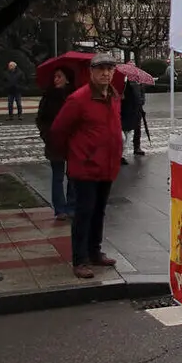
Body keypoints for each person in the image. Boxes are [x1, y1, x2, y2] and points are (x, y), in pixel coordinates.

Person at [49, 52, 123, 279]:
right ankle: (80, 259)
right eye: (101, 69)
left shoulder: (113, 96)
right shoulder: (79, 99)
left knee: (99, 212)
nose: (106, 73)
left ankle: (94, 251)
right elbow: (58, 131)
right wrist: (74, 154)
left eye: (110, 69)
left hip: (107, 166)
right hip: (85, 167)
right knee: (83, 213)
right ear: (91, 72)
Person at [35, 67, 77, 220]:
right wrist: (47, 135)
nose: (56, 80)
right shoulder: (48, 96)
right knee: (57, 176)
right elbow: (41, 119)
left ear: (67, 79)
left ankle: (72, 206)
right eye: (55, 77)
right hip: (54, 141)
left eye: (59, 76)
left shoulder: (75, 96)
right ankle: (60, 209)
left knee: (73, 175)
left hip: (73, 142)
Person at [120, 78, 145, 164]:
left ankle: (125, 154)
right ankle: (120, 153)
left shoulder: (138, 83)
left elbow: (141, 95)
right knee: (122, 136)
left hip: (134, 111)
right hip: (123, 112)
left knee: (130, 133)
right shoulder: (122, 83)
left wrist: (141, 101)